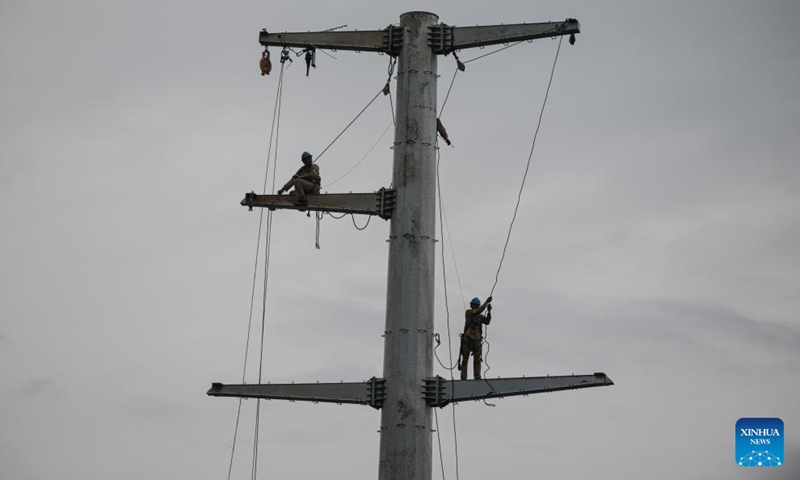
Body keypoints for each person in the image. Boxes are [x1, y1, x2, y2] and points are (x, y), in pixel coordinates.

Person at [459, 295, 493, 380]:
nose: (474, 307)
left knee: (477, 360)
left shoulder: (480, 316)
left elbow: (487, 321)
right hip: (468, 340)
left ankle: (477, 376)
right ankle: (463, 376)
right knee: (465, 359)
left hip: (476, 341)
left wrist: (489, 312)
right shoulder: (468, 313)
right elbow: (480, 310)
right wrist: (487, 301)